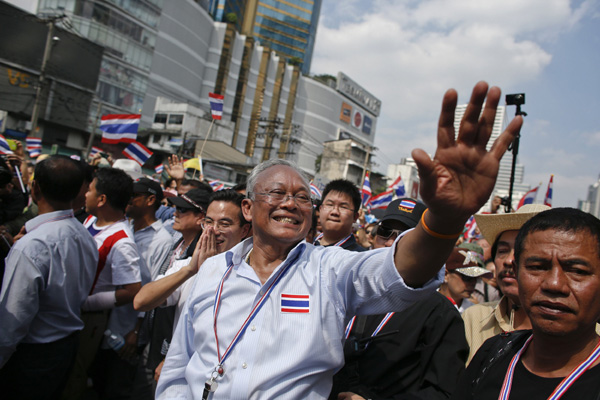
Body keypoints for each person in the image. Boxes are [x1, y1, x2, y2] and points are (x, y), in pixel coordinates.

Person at [155, 81, 523, 399]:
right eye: (278, 193)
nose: (291, 203)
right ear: (248, 208)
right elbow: (178, 366)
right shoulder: (212, 270)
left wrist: (446, 218)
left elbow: (401, 268)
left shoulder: (329, 269)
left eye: (303, 197)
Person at [452, 208, 600, 398]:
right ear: (517, 271)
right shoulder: (492, 352)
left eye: (577, 271)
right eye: (537, 267)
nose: (554, 284)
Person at [330, 199, 469, 400]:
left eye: (405, 237)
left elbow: (445, 392)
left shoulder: (441, 313)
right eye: (385, 231)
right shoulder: (346, 285)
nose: (389, 242)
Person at [0, 156, 99, 399]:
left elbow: (13, 320)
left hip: (32, 354)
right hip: (64, 347)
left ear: (34, 188)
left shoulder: (32, 246)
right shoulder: (83, 235)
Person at [62, 167, 148, 399]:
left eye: (89, 190)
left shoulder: (121, 242)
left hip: (88, 318)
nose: (85, 195)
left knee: (73, 375)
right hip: (71, 310)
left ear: (102, 199)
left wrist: (89, 303)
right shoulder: (90, 220)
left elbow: (132, 291)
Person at [462, 204, 549, 363]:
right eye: (502, 251)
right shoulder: (474, 318)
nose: (509, 261)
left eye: (521, 250)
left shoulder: (589, 338)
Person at [127, 178, 174, 279]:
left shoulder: (162, 241)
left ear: (150, 200)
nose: (128, 199)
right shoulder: (125, 227)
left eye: (134, 195)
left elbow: (153, 284)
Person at [314, 179, 365, 251]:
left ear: (355, 217)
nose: (335, 212)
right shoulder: (305, 246)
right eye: (330, 204)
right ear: (320, 209)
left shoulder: (359, 257)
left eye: (343, 207)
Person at [438, 247, 492, 314]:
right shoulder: (427, 304)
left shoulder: (474, 311)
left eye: (476, 278)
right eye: (467, 277)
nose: (473, 283)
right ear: (445, 275)